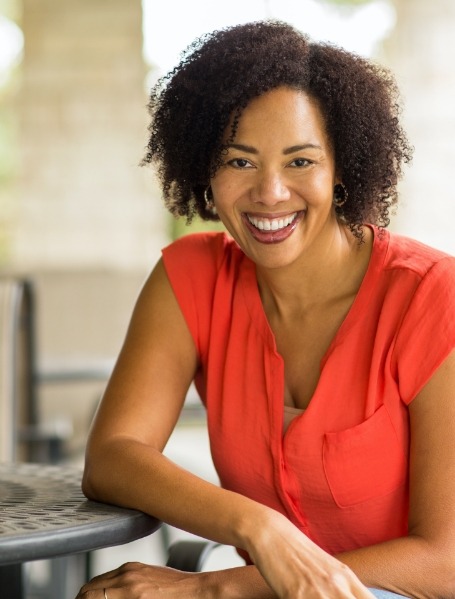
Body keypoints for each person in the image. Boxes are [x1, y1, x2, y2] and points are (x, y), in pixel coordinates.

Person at [76, 21, 455, 599]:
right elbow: (113, 457)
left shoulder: (432, 297)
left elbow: (446, 563)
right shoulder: (192, 278)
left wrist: (215, 587)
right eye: (239, 161)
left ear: (343, 169)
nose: (270, 192)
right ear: (204, 169)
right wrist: (260, 528)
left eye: (300, 162)